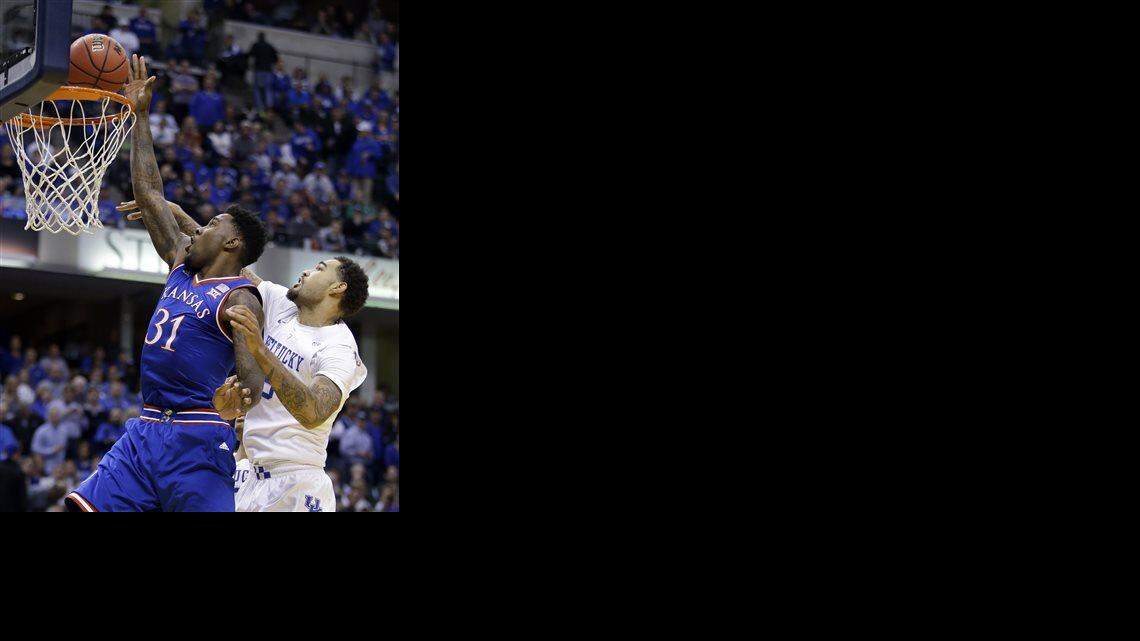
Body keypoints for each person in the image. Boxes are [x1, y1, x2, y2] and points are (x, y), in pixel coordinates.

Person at [64, 56, 268, 513]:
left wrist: (239, 401)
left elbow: (253, 375)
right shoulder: (181, 264)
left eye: (211, 224)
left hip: (197, 435)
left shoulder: (239, 296)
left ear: (233, 241)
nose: (198, 230)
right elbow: (151, 195)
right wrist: (139, 117)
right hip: (145, 429)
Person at [218, 256, 369, 512]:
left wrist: (260, 350)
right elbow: (226, 258)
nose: (306, 271)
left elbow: (313, 413)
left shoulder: (339, 349)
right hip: (250, 474)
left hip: (296, 483)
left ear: (338, 287)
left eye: (319, 269)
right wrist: (171, 214)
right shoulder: (283, 306)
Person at [248, 32, 278, 112]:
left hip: (258, 70)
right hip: (268, 71)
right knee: (268, 89)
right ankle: (269, 106)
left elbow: (250, 55)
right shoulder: (269, 46)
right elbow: (276, 58)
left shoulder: (256, 45)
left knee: (257, 89)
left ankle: (260, 107)